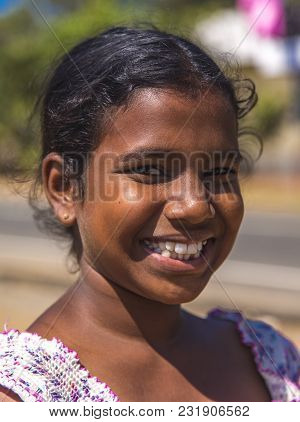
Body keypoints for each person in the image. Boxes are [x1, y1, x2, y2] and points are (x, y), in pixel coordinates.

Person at [0, 26, 299, 402]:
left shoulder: (270, 360)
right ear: (65, 188)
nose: (195, 206)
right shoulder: (23, 396)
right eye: (151, 170)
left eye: (219, 172)